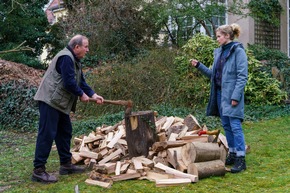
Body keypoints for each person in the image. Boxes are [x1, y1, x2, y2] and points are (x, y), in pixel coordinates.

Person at [32, 35, 104, 183]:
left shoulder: (75, 61)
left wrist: (93, 94)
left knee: (65, 132)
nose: (87, 50)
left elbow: (80, 81)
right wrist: (82, 95)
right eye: (86, 46)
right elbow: (69, 82)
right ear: (76, 47)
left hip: (59, 102)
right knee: (47, 134)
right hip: (49, 100)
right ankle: (38, 171)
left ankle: (66, 165)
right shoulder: (66, 58)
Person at [191, 23, 248, 173]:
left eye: (218, 36)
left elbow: (242, 77)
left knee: (235, 126)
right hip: (219, 95)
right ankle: (233, 153)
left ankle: (241, 160)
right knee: (227, 126)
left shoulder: (238, 51)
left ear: (227, 36)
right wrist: (199, 66)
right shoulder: (219, 52)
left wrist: (236, 96)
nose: (217, 39)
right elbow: (213, 75)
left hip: (231, 96)